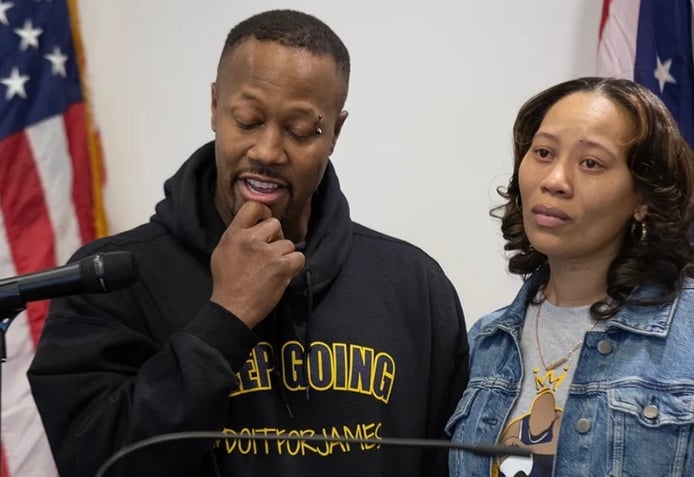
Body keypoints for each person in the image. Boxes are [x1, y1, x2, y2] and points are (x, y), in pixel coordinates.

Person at [27, 9, 468, 477]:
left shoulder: (414, 286)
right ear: (215, 106)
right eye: (248, 120)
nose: (268, 151)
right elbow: (97, 461)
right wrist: (226, 319)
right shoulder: (109, 278)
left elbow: (450, 463)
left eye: (301, 130)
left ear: (336, 133)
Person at [446, 77, 694, 476]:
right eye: (543, 153)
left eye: (590, 163)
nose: (554, 181)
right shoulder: (485, 342)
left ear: (644, 199)